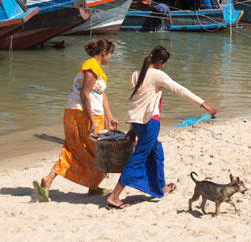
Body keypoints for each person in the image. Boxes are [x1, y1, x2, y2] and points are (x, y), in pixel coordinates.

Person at [106, 46, 217, 209]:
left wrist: (132, 128)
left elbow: (136, 101)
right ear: (160, 62)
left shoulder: (136, 74)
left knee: (157, 151)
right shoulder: (158, 75)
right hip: (150, 122)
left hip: (137, 122)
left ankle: (160, 187)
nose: (163, 66)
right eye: (163, 64)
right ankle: (114, 196)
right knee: (139, 157)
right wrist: (204, 105)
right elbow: (180, 90)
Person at [35, 39, 119, 201]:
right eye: (110, 54)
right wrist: (92, 120)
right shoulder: (91, 66)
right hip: (82, 113)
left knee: (92, 150)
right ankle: (49, 179)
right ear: (104, 53)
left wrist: (110, 116)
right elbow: (84, 94)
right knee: (79, 149)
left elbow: (101, 94)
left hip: (89, 113)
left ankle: (93, 186)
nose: (110, 58)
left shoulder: (96, 69)